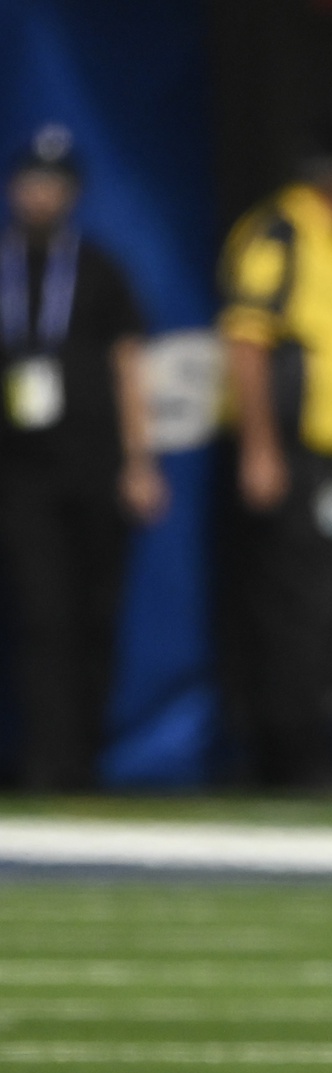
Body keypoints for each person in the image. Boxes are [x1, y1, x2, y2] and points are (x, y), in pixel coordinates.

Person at [217, 127, 332, 788]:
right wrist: (260, 448)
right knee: (296, 608)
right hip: (296, 457)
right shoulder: (282, 233)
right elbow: (248, 339)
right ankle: (291, 759)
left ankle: (303, 751)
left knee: (328, 609)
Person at [0, 124, 166, 790]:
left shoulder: (99, 269)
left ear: (72, 194)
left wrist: (139, 461)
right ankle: (45, 762)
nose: (41, 195)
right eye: (31, 182)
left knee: (94, 612)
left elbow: (129, 367)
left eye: (54, 184)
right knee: (39, 615)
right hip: (17, 474)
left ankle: (84, 760)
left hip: (92, 467)